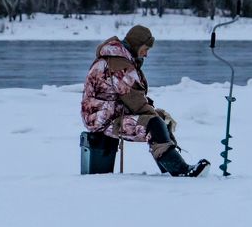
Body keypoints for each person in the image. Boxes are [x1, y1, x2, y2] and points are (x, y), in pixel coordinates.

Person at [81, 24, 209, 177]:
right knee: (154, 124)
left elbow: (129, 98)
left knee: (159, 119)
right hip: (102, 120)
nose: (146, 54)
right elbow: (134, 100)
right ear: (136, 44)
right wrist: (154, 115)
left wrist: (156, 113)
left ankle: (170, 170)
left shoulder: (120, 59)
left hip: (110, 114)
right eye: (145, 49)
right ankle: (181, 171)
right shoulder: (119, 64)